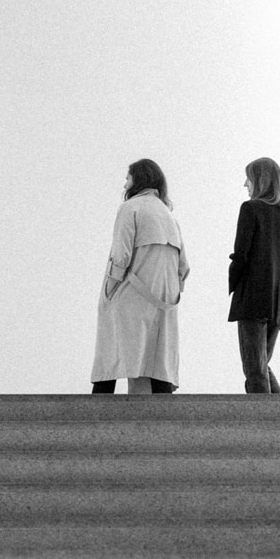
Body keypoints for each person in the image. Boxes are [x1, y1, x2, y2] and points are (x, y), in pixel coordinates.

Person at [92, 159, 188, 394]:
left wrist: (108, 291)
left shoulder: (130, 208)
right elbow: (183, 268)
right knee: (156, 362)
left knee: (113, 357)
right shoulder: (168, 215)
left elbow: (120, 255)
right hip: (162, 302)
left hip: (131, 296)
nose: (125, 183)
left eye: (128, 177)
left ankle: (95, 419)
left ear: (138, 179)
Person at [227, 156, 280, 393]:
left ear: (259, 180)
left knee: (254, 371)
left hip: (252, 300)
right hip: (276, 304)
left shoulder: (250, 209)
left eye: (248, 178)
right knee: (261, 366)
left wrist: (233, 283)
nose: (245, 184)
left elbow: (241, 254)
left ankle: (266, 425)